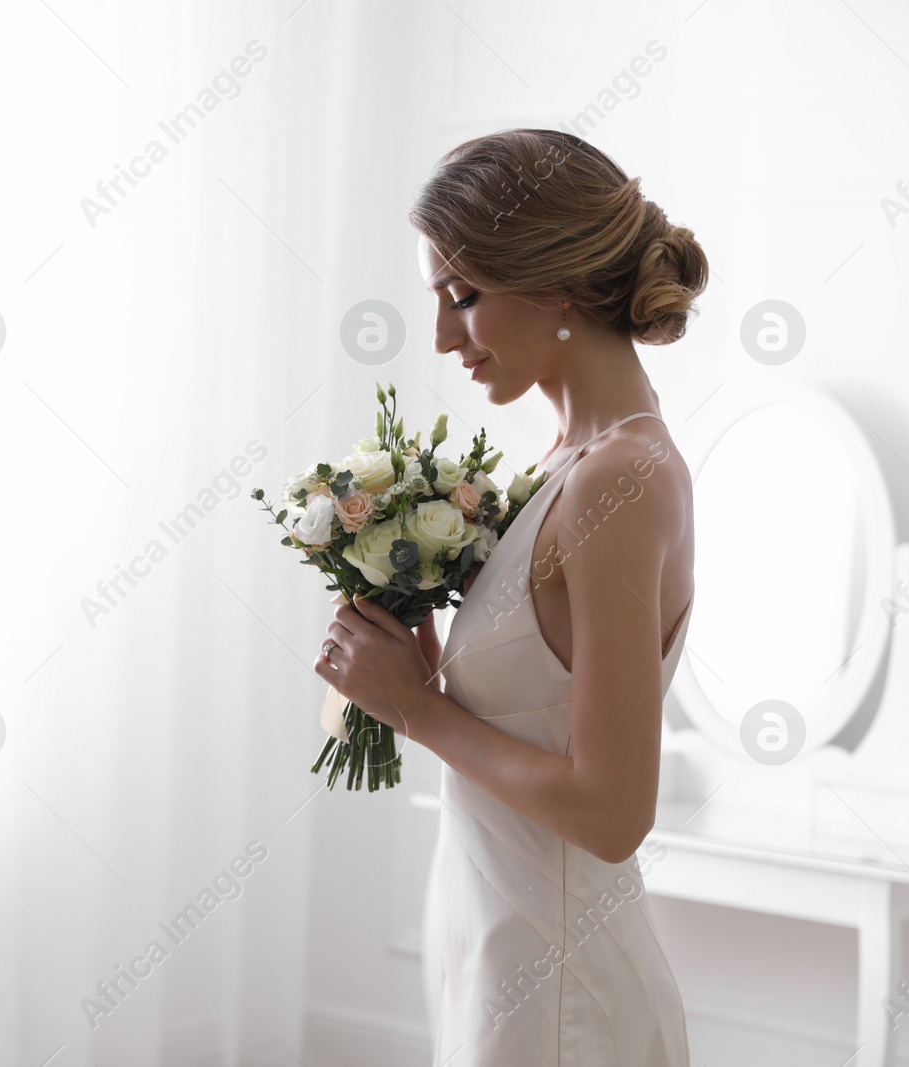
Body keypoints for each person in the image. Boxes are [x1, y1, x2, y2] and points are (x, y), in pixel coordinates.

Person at [313, 128, 709, 1066]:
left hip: (563, 992)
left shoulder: (626, 477)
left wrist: (414, 710)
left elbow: (614, 815)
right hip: (493, 947)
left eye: (463, 297)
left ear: (559, 282)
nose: (445, 336)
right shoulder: (557, 468)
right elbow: (528, 715)